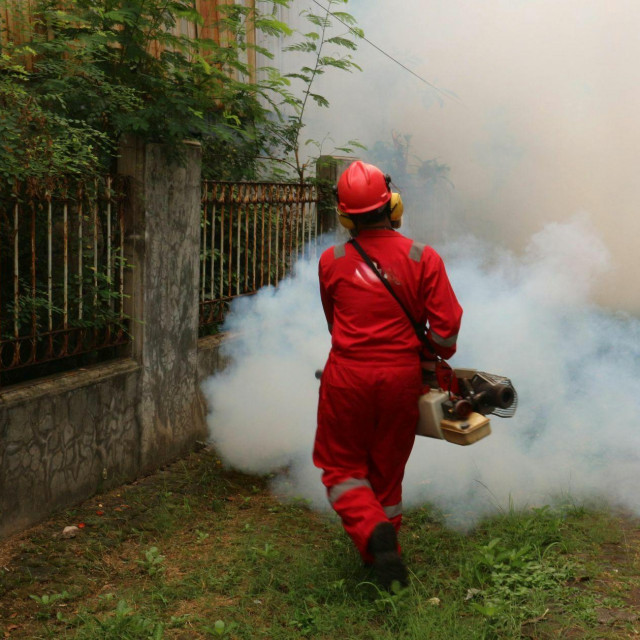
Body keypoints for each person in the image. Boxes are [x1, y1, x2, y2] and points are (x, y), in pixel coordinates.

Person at [313, 160, 463, 590]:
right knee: (387, 471)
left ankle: (372, 536)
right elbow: (448, 329)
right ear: (392, 205)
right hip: (401, 380)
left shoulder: (331, 261)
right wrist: (435, 354)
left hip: (346, 378)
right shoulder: (423, 257)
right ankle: (386, 556)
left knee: (340, 467)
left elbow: (333, 322)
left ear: (344, 217)